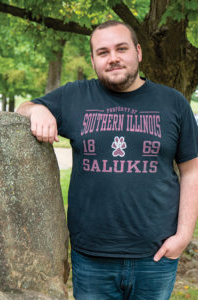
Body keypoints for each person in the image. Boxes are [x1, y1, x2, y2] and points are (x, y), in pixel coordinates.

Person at [17, 20, 198, 300]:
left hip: (156, 257)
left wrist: (184, 236)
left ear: (138, 52)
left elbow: (192, 171)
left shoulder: (173, 103)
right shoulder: (74, 96)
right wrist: (38, 111)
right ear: (92, 60)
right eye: (103, 52)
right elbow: (25, 107)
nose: (113, 58)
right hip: (91, 259)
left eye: (121, 48)